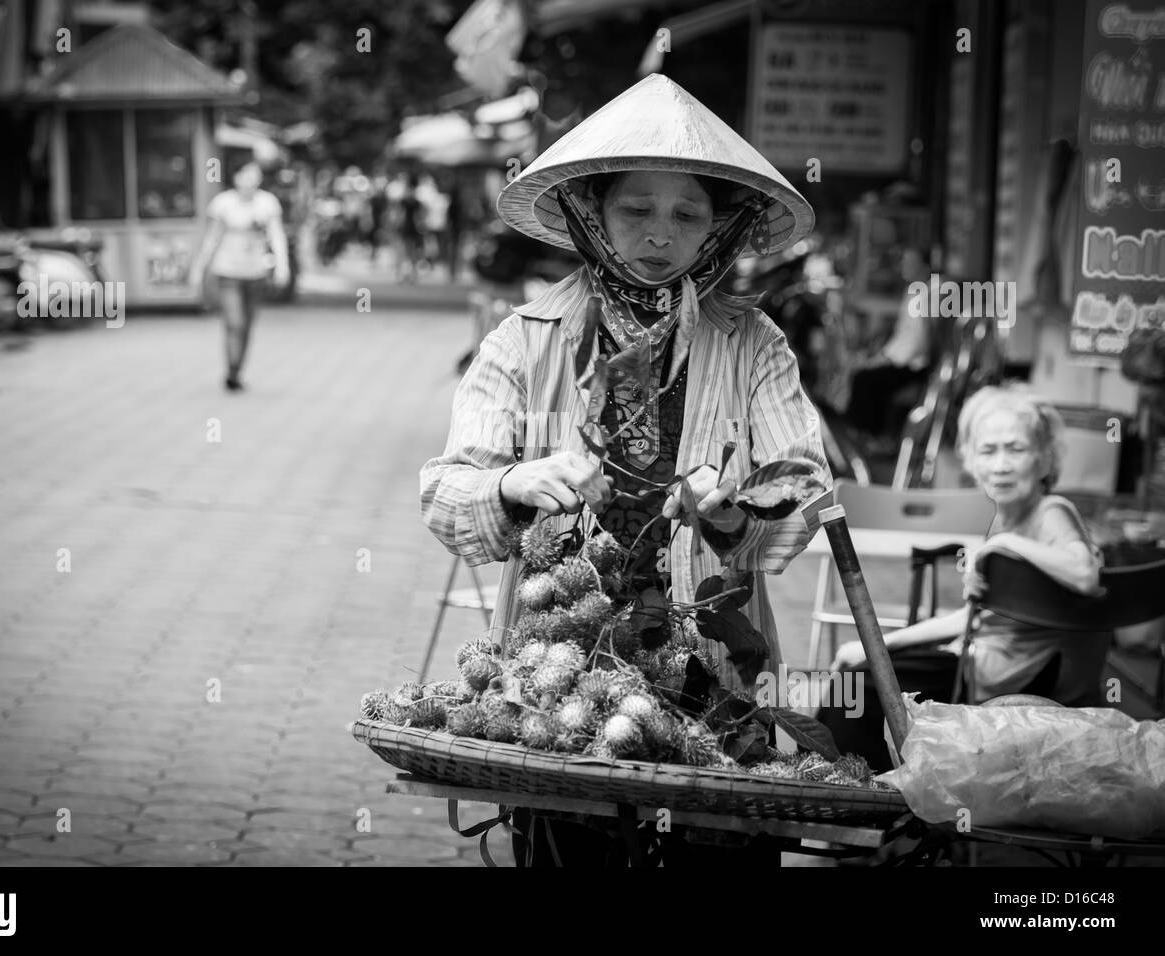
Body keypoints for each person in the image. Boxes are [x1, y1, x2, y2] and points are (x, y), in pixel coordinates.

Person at [420, 74, 831, 866]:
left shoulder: (755, 344)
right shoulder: (524, 339)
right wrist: (510, 484)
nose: (658, 234)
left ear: (718, 229)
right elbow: (446, 492)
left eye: (686, 214)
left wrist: (730, 508)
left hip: (714, 670)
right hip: (558, 675)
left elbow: (803, 487)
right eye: (635, 210)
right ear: (594, 214)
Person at [818, 384, 1107, 772]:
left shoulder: (1050, 511)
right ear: (971, 461)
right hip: (978, 664)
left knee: (855, 691)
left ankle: (860, 796)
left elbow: (1085, 574)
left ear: (1043, 460)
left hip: (1012, 681)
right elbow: (972, 618)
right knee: (853, 682)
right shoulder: (1007, 517)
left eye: (1016, 449)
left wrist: (1002, 548)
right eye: (989, 451)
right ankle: (849, 786)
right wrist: (877, 646)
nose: (1001, 464)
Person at [191, 160, 289, 391]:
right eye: (246, 175)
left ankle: (237, 370)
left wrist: (282, 266)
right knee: (235, 322)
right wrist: (199, 268)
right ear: (236, 178)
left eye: (255, 176)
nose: (250, 180)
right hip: (228, 272)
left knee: (247, 325)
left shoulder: (267, 203)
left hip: (256, 273)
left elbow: (277, 236)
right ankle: (231, 370)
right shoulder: (223, 204)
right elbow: (212, 238)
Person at [844, 247, 934, 444]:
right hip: (901, 358)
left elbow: (915, 343)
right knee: (862, 374)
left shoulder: (923, 296)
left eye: (909, 262)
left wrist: (882, 360)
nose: (903, 266)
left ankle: (873, 437)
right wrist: (881, 357)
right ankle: (862, 435)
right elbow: (903, 336)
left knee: (865, 379)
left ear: (924, 267)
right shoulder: (913, 292)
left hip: (912, 365)